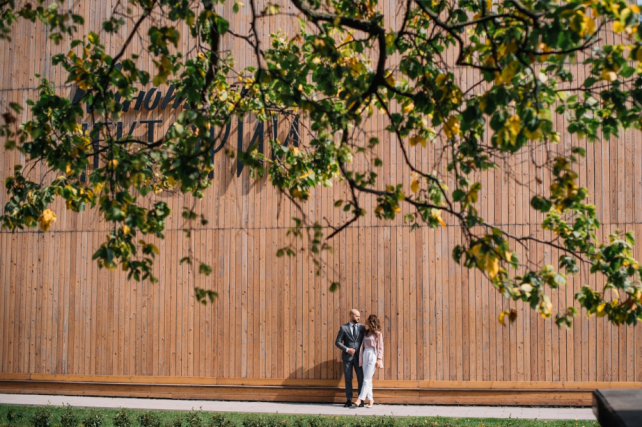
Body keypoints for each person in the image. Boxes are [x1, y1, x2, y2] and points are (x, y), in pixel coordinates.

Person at [335, 309, 366, 407]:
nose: (359, 318)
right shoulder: (343, 328)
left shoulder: (362, 327)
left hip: (359, 357)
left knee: (361, 378)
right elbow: (337, 342)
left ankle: (361, 400)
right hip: (347, 358)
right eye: (357, 316)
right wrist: (347, 349)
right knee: (348, 379)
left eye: (359, 316)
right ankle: (349, 400)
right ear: (351, 316)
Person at [353, 314, 383, 408]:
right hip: (364, 354)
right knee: (368, 379)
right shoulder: (365, 332)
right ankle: (370, 400)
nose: (365, 321)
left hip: (373, 354)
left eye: (367, 320)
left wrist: (379, 359)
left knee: (366, 379)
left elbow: (380, 347)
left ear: (371, 322)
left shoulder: (378, 334)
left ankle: (360, 399)